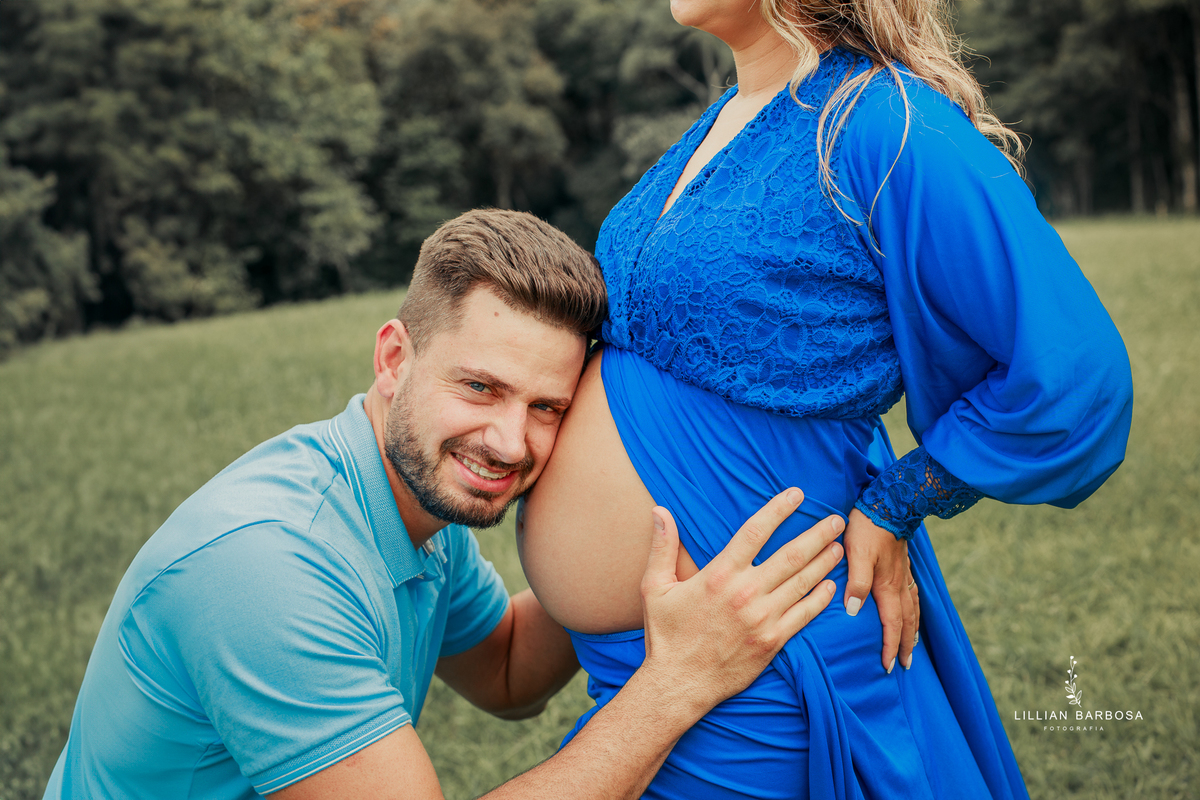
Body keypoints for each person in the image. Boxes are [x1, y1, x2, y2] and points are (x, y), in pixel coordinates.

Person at [518, 1, 1134, 799]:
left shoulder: (886, 121)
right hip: (648, 659)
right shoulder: (724, 119)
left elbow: (1076, 371)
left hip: (768, 653)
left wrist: (902, 499)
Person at [42, 209, 850, 800]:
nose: (509, 440)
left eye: (547, 408)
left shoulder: (407, 511)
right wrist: (677, 680)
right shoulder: (268, 570)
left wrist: (638, 549)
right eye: (480, 387)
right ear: (395, 357)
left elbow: (504, 672)